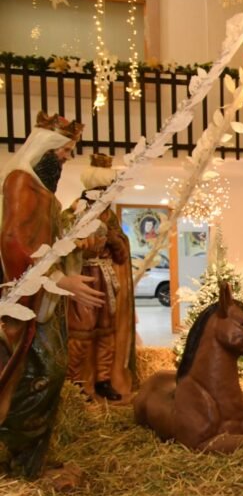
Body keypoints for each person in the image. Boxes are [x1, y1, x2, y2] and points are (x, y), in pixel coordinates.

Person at [1, 111, 104, 479]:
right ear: (46, 146)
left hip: (44, 301)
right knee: (40, 374)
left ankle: (33, 459)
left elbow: (48, 243)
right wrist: (60, 279)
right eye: (64, 150)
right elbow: (16, 244)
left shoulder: (40, 190)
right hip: (26, 302)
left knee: (50, 373)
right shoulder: (20, 184)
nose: (66, 157)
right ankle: (21, 463)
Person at [64, 153, 134, 402]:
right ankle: (75, 384)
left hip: (106, 280)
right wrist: (82, 244)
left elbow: (122, 253)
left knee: (107, 332)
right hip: (83, 279)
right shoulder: (73, 212)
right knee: (81, 333)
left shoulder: (110, 216)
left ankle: (103, 380)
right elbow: (63, 247)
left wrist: (114, 240)